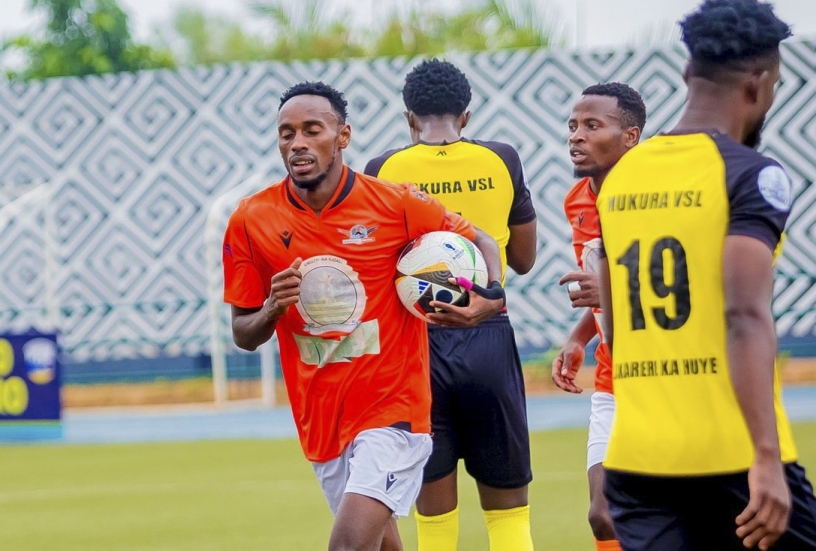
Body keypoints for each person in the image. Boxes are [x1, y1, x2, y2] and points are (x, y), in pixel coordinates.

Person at [222, 81, 507, 551]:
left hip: (393, 411)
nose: (297, 143)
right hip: (321, 418)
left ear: (343, 136)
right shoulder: (251, 220)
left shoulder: (398, 203)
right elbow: (243, 334)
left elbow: (483, 241)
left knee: (348, 546)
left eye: (312, 130)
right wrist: (272, 307)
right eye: (286, 134)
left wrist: (491, 296)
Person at [595, 0, 816, 551]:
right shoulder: (751, 174)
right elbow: (743, 315)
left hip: (636, 459)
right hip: (731, 455)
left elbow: (616, 328)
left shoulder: (620, 177)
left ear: (687, 74)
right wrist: (766, 458)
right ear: (759, 83)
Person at [365, 59, 538, 551]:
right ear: (466, 116)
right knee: (508, 513)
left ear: (409, 117)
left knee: (435, 520)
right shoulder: (502, 158)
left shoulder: (383, 169)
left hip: (417, 346)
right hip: (488, 333)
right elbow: (523, 259)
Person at [551, 82, 646, 551]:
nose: (576, 135)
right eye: (573, 125)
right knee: (603, 515)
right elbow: (600, 286)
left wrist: (610, 294)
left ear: (630, 136)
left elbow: (679, 286)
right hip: (611, 376)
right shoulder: (576, 199)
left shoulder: (654, 196)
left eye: (592, 125)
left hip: (664, 376)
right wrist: (579, 336)